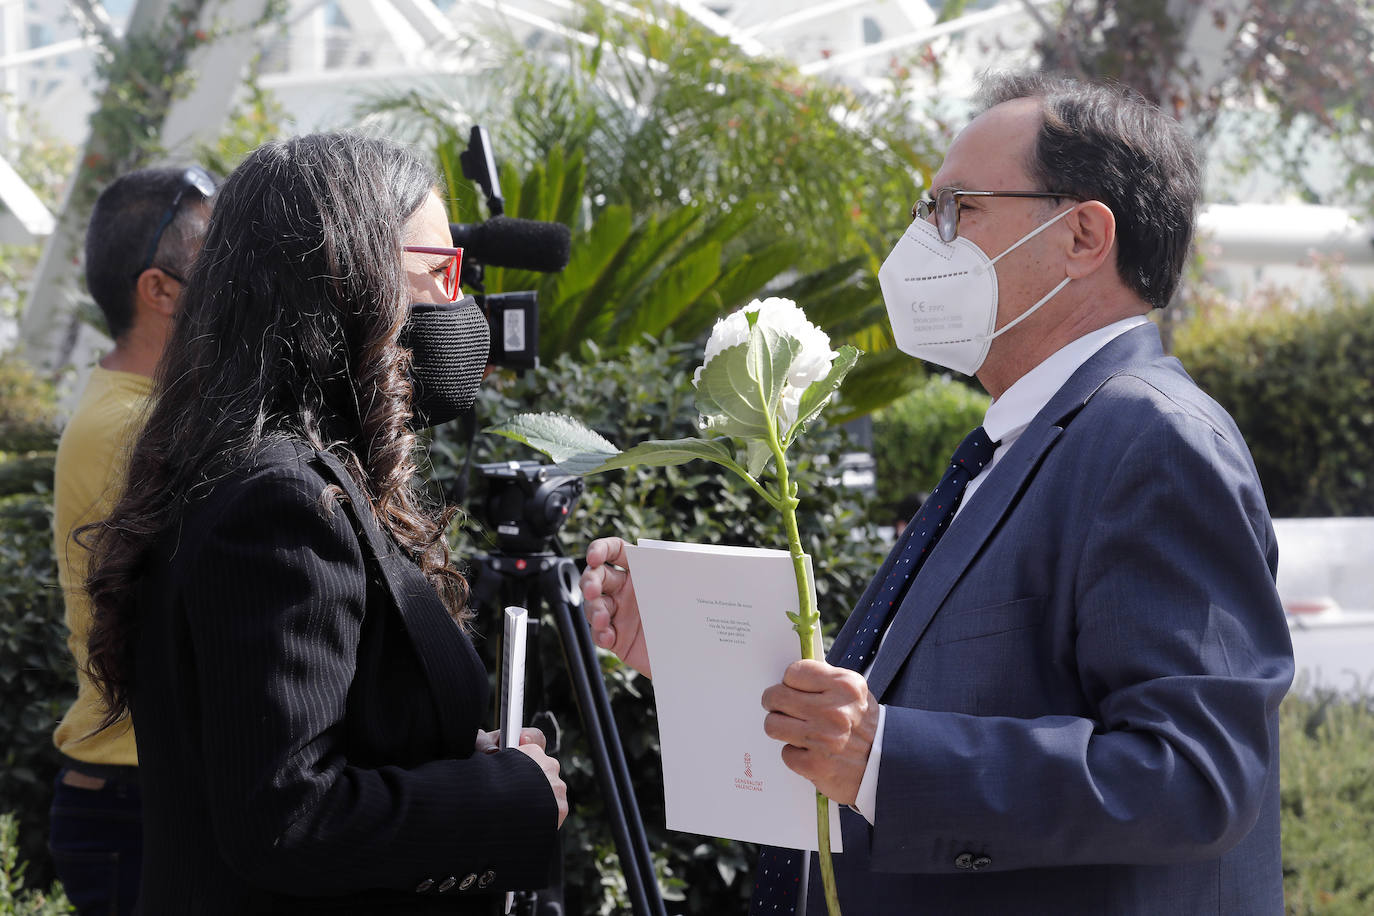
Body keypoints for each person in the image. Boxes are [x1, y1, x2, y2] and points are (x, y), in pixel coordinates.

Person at [581, 72, 1293, 914]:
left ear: (1083, 235)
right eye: (927, 211)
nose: (924, 238)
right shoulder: (1018, 439)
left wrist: (887, 760)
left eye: (958, 209)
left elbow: (1195, 777)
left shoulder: (1155, 440)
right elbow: (915, 696)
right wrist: (703, 653)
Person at [80, 133, 566, 914]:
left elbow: (306, 734)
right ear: (351, 281)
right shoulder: (278, 502)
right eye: (438, 271)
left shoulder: (249, 466)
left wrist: (451, 759)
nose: (457, 304)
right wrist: (505, 798)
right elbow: (288, 817)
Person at [49, 164, 215, 916]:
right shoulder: (133, 428)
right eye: (218, 255)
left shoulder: (150, 407)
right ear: (161, 290)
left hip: (142, 791)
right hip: (134, 802)